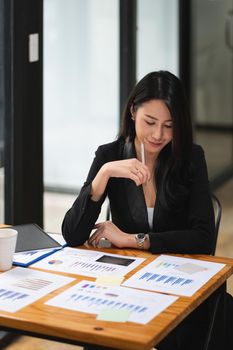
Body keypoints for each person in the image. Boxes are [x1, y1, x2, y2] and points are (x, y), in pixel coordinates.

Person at [62, 71, 216, 349]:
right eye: (150, 122)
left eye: (169, 125)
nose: (159, 135)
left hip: (177, 284)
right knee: (98, 330)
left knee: (204, 323)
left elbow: (203, 238)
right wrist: (104, 175)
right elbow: (73, 235)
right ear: (133, 111)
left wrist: (135, 240)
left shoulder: (191, 157)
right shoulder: (109, 156)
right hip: (127, 287)